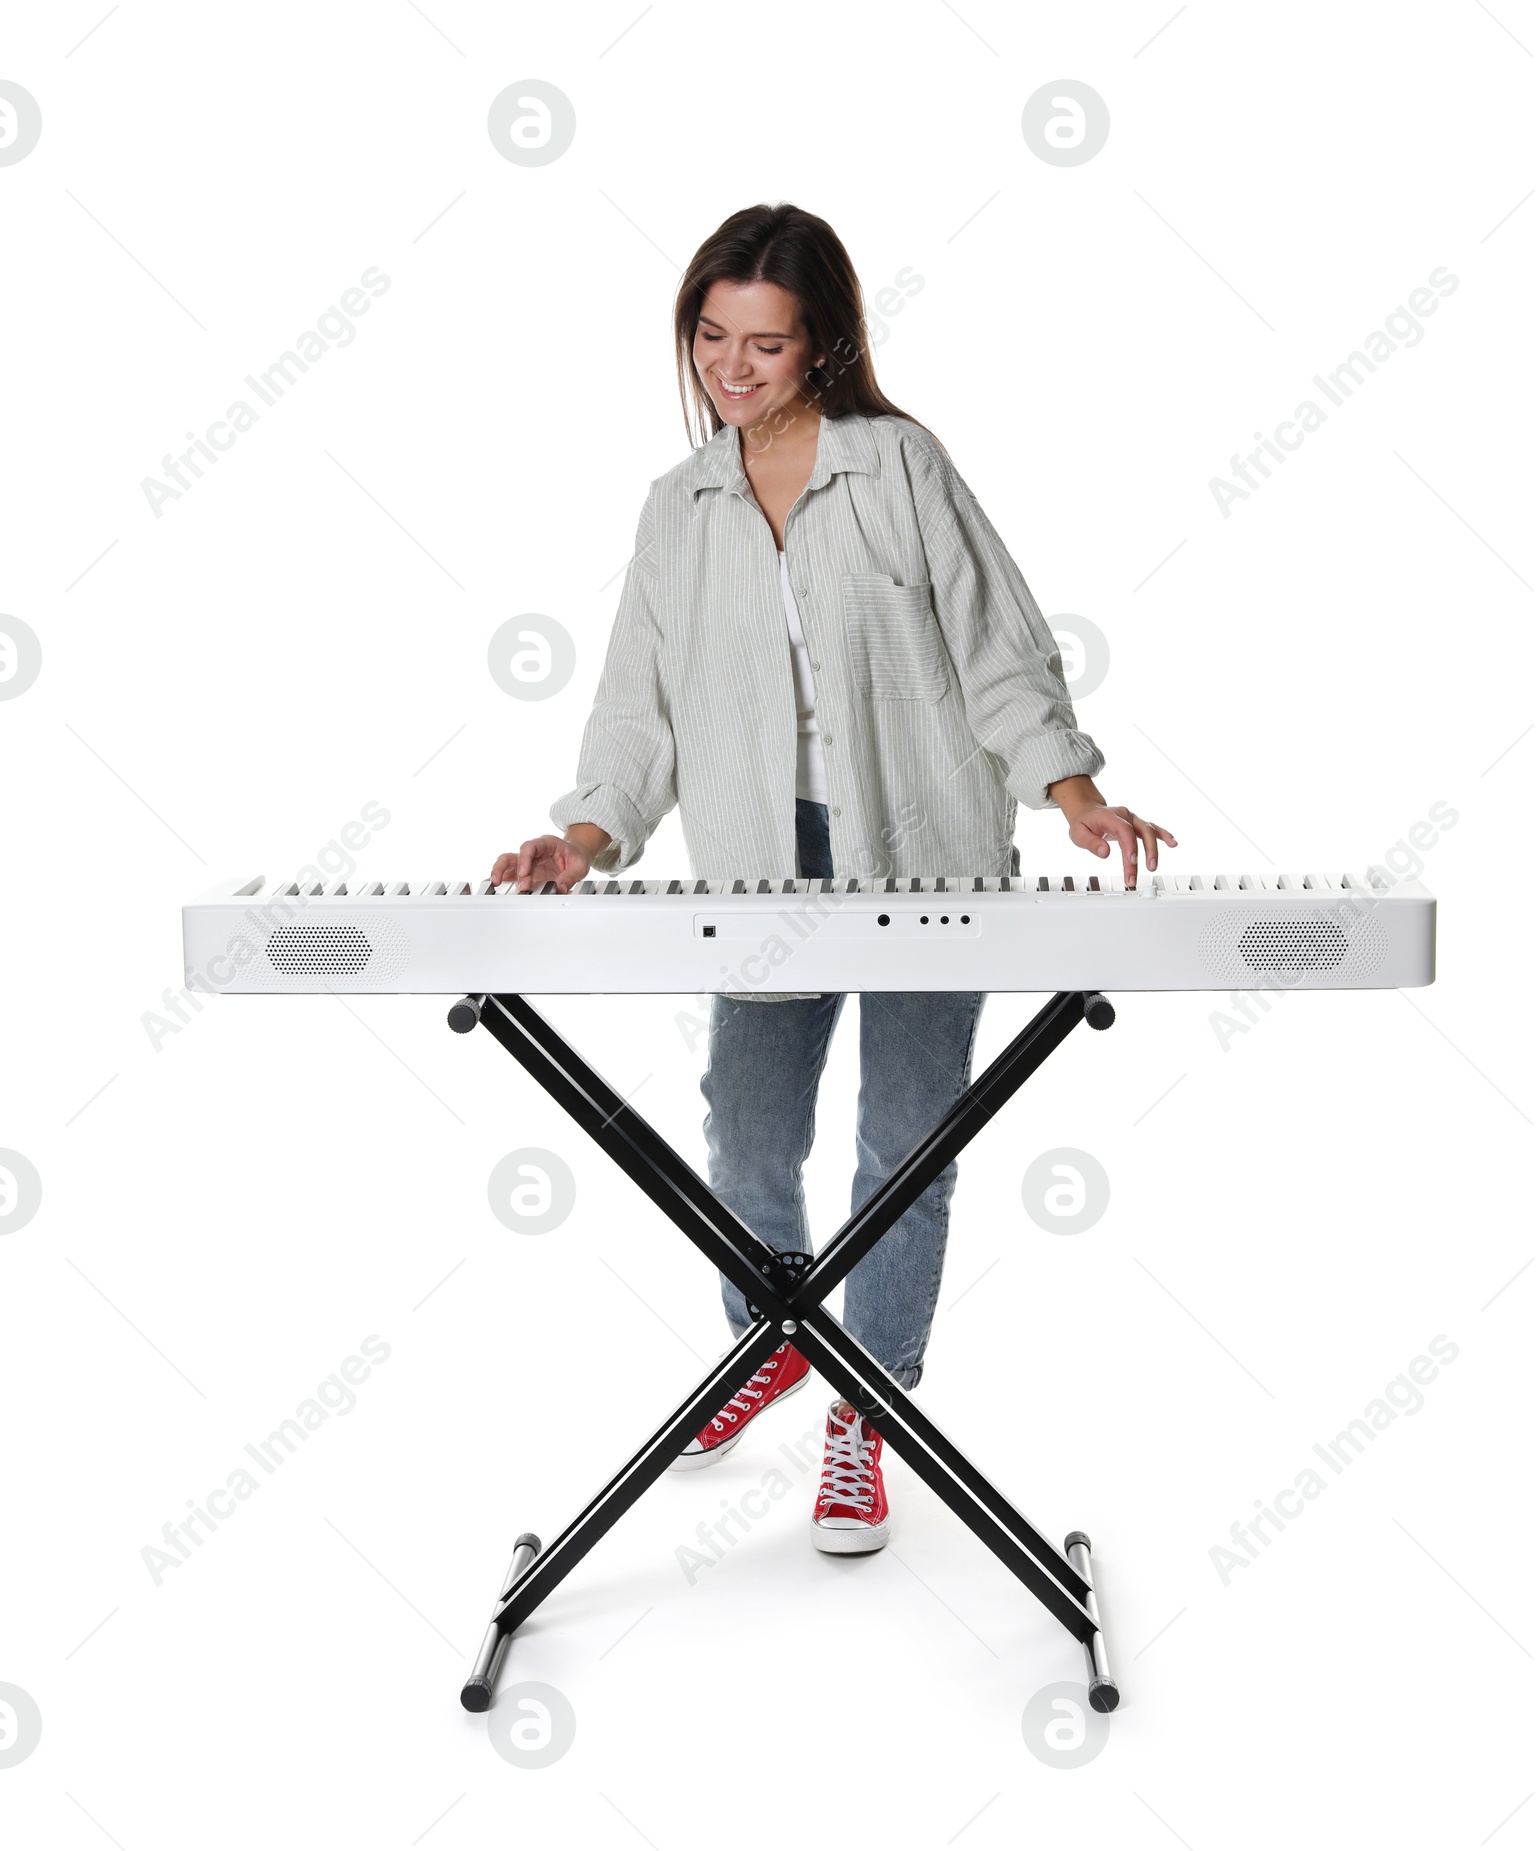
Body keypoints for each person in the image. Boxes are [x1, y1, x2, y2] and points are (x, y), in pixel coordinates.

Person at [491, 202, 1174, 1557]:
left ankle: (868, 1404)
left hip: (930, 856)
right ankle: (777, 1340)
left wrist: (1075, 792)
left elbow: (999, 646)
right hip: (758, 872)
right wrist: (579, 836)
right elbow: (640, 712)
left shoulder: (901, 466)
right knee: (747, 1132)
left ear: (823, 346)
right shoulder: (676, 509)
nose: (732, 367)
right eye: (710, 337)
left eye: (765, 341)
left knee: (903, 1149)